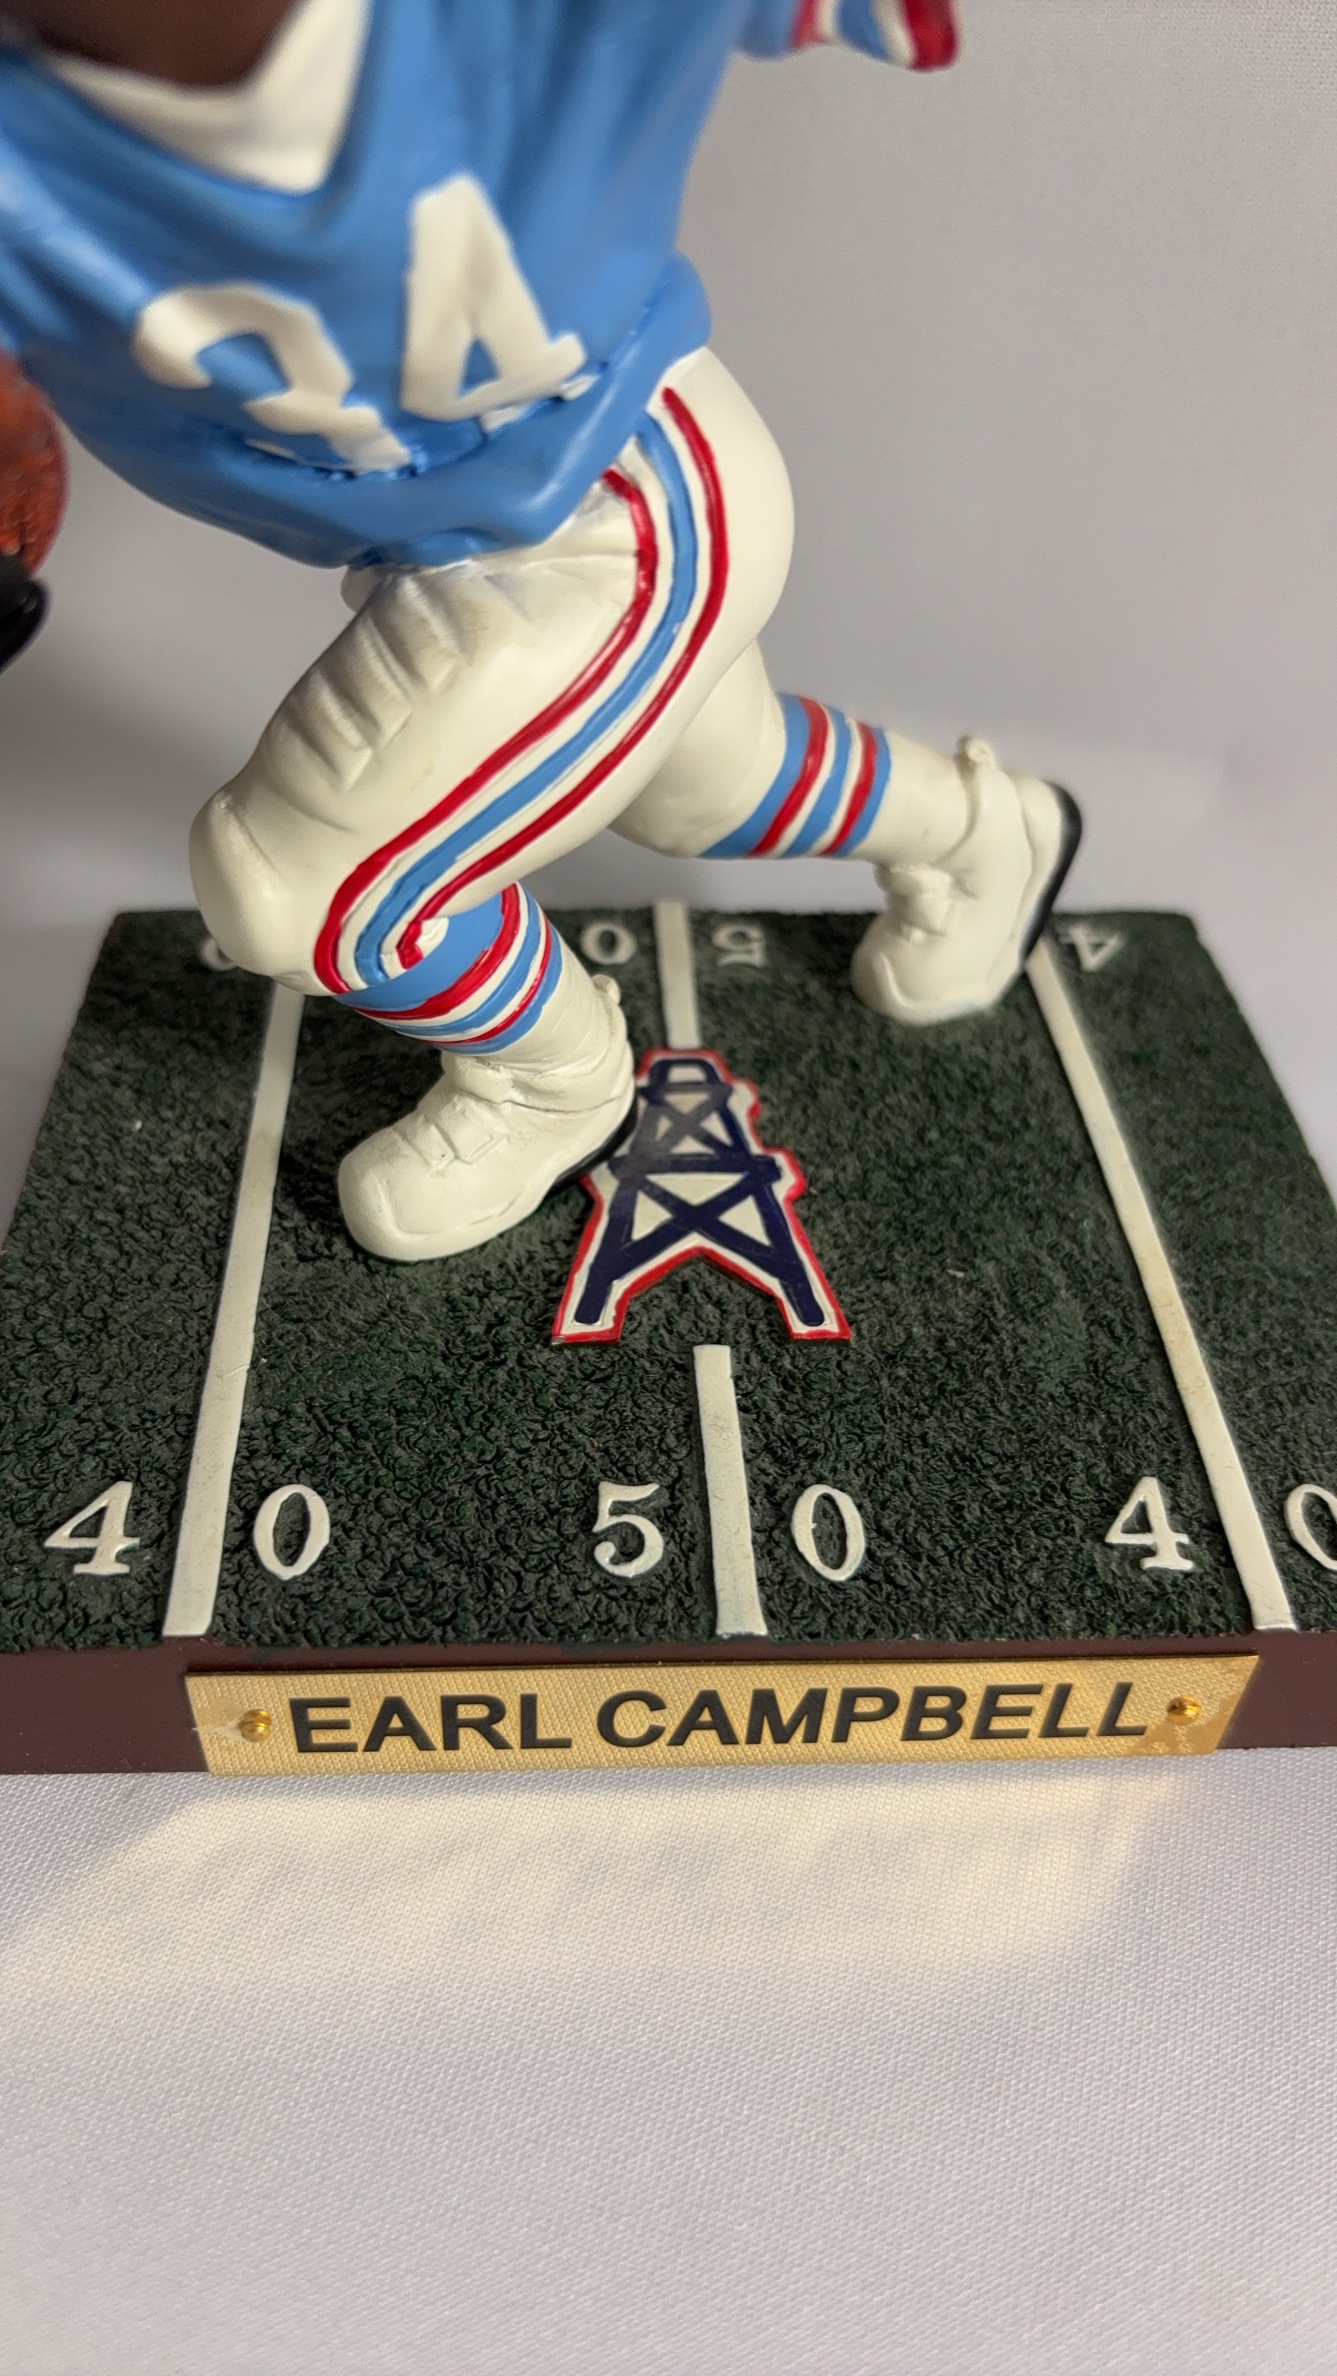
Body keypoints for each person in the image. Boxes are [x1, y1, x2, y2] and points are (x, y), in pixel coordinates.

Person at [0, 0, 1079, 1261]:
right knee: (703, 791)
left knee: (297, 881)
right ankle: (976, 829)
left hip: (622, 497)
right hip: (453, 546)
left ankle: (550, 1079)